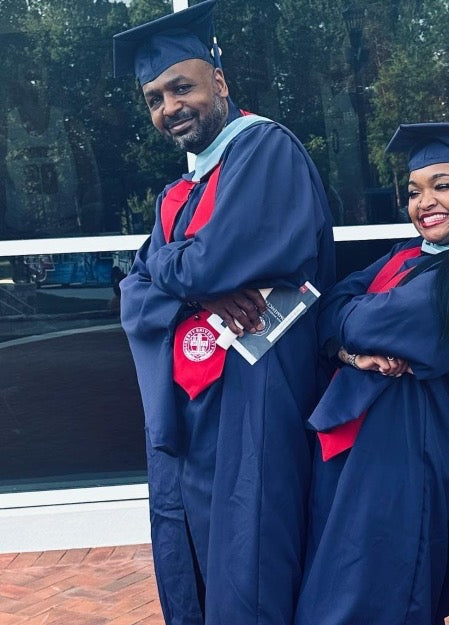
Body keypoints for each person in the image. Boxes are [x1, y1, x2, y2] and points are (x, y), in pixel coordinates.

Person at [114, 2, 335, 623]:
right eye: (155, 98)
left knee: (253, 554)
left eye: (181, 87)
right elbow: (133, 292)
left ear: (220, 79)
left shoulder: (264, 150)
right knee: (193, 556)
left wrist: (182, 275)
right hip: (189, 408)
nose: (169, 107)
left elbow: (204, 265)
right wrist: (193, 285)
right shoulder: (175, 192)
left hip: (253, 396)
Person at [295, 121, 449, 625]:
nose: (425, 202)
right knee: (342, 576)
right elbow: (329, 306)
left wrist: (351, 327)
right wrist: (353, 353)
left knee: (381, 588)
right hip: (370, 441)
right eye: (415, 191)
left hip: (412, 450)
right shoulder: (409, 256)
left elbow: (380, 319)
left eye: (442, 185)